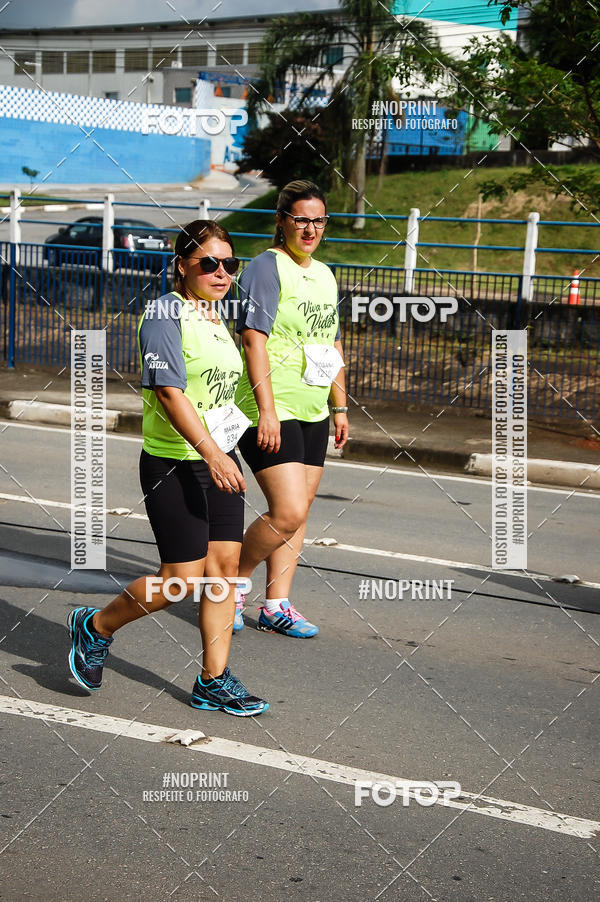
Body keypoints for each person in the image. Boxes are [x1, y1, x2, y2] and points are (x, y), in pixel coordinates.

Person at [67, 220, 269, 716]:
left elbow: (223, 393)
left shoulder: (219, 320)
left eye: (229, 264)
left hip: (220, 458)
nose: (221, 273)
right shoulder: (164, 314)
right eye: (209, 264)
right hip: (174, 463)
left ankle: (213, 680)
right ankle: (96, 627)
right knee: (178, 581)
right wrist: (213, 454)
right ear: (182, 266)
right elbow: (169, 393)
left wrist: (255, 429)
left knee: (223, 573)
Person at [233, 180, 349, 638]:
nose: (310, 228)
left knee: (300, 512)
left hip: (313, 408)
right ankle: (228, 582)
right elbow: (252, 339)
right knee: (287, 510)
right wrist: (266, 411)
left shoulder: (324, 274)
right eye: (301, 218)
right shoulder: (265, 266)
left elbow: (332, 342)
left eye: (318, 220)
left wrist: (339, 406)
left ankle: (276, 604)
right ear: (281, 220)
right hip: (270, 405)